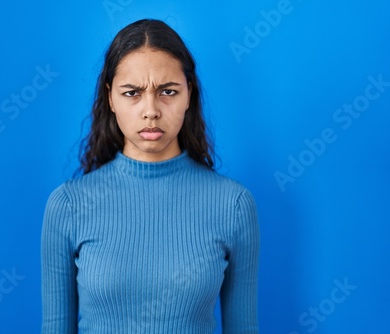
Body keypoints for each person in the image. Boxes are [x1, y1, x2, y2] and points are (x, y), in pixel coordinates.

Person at [41, 19, 260, 333]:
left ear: (189, 95)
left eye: (168, 91)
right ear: (111, 98)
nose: (151, 110)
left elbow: (243, 327)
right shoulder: (68, 206)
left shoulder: (233, 205)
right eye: (132, 93)